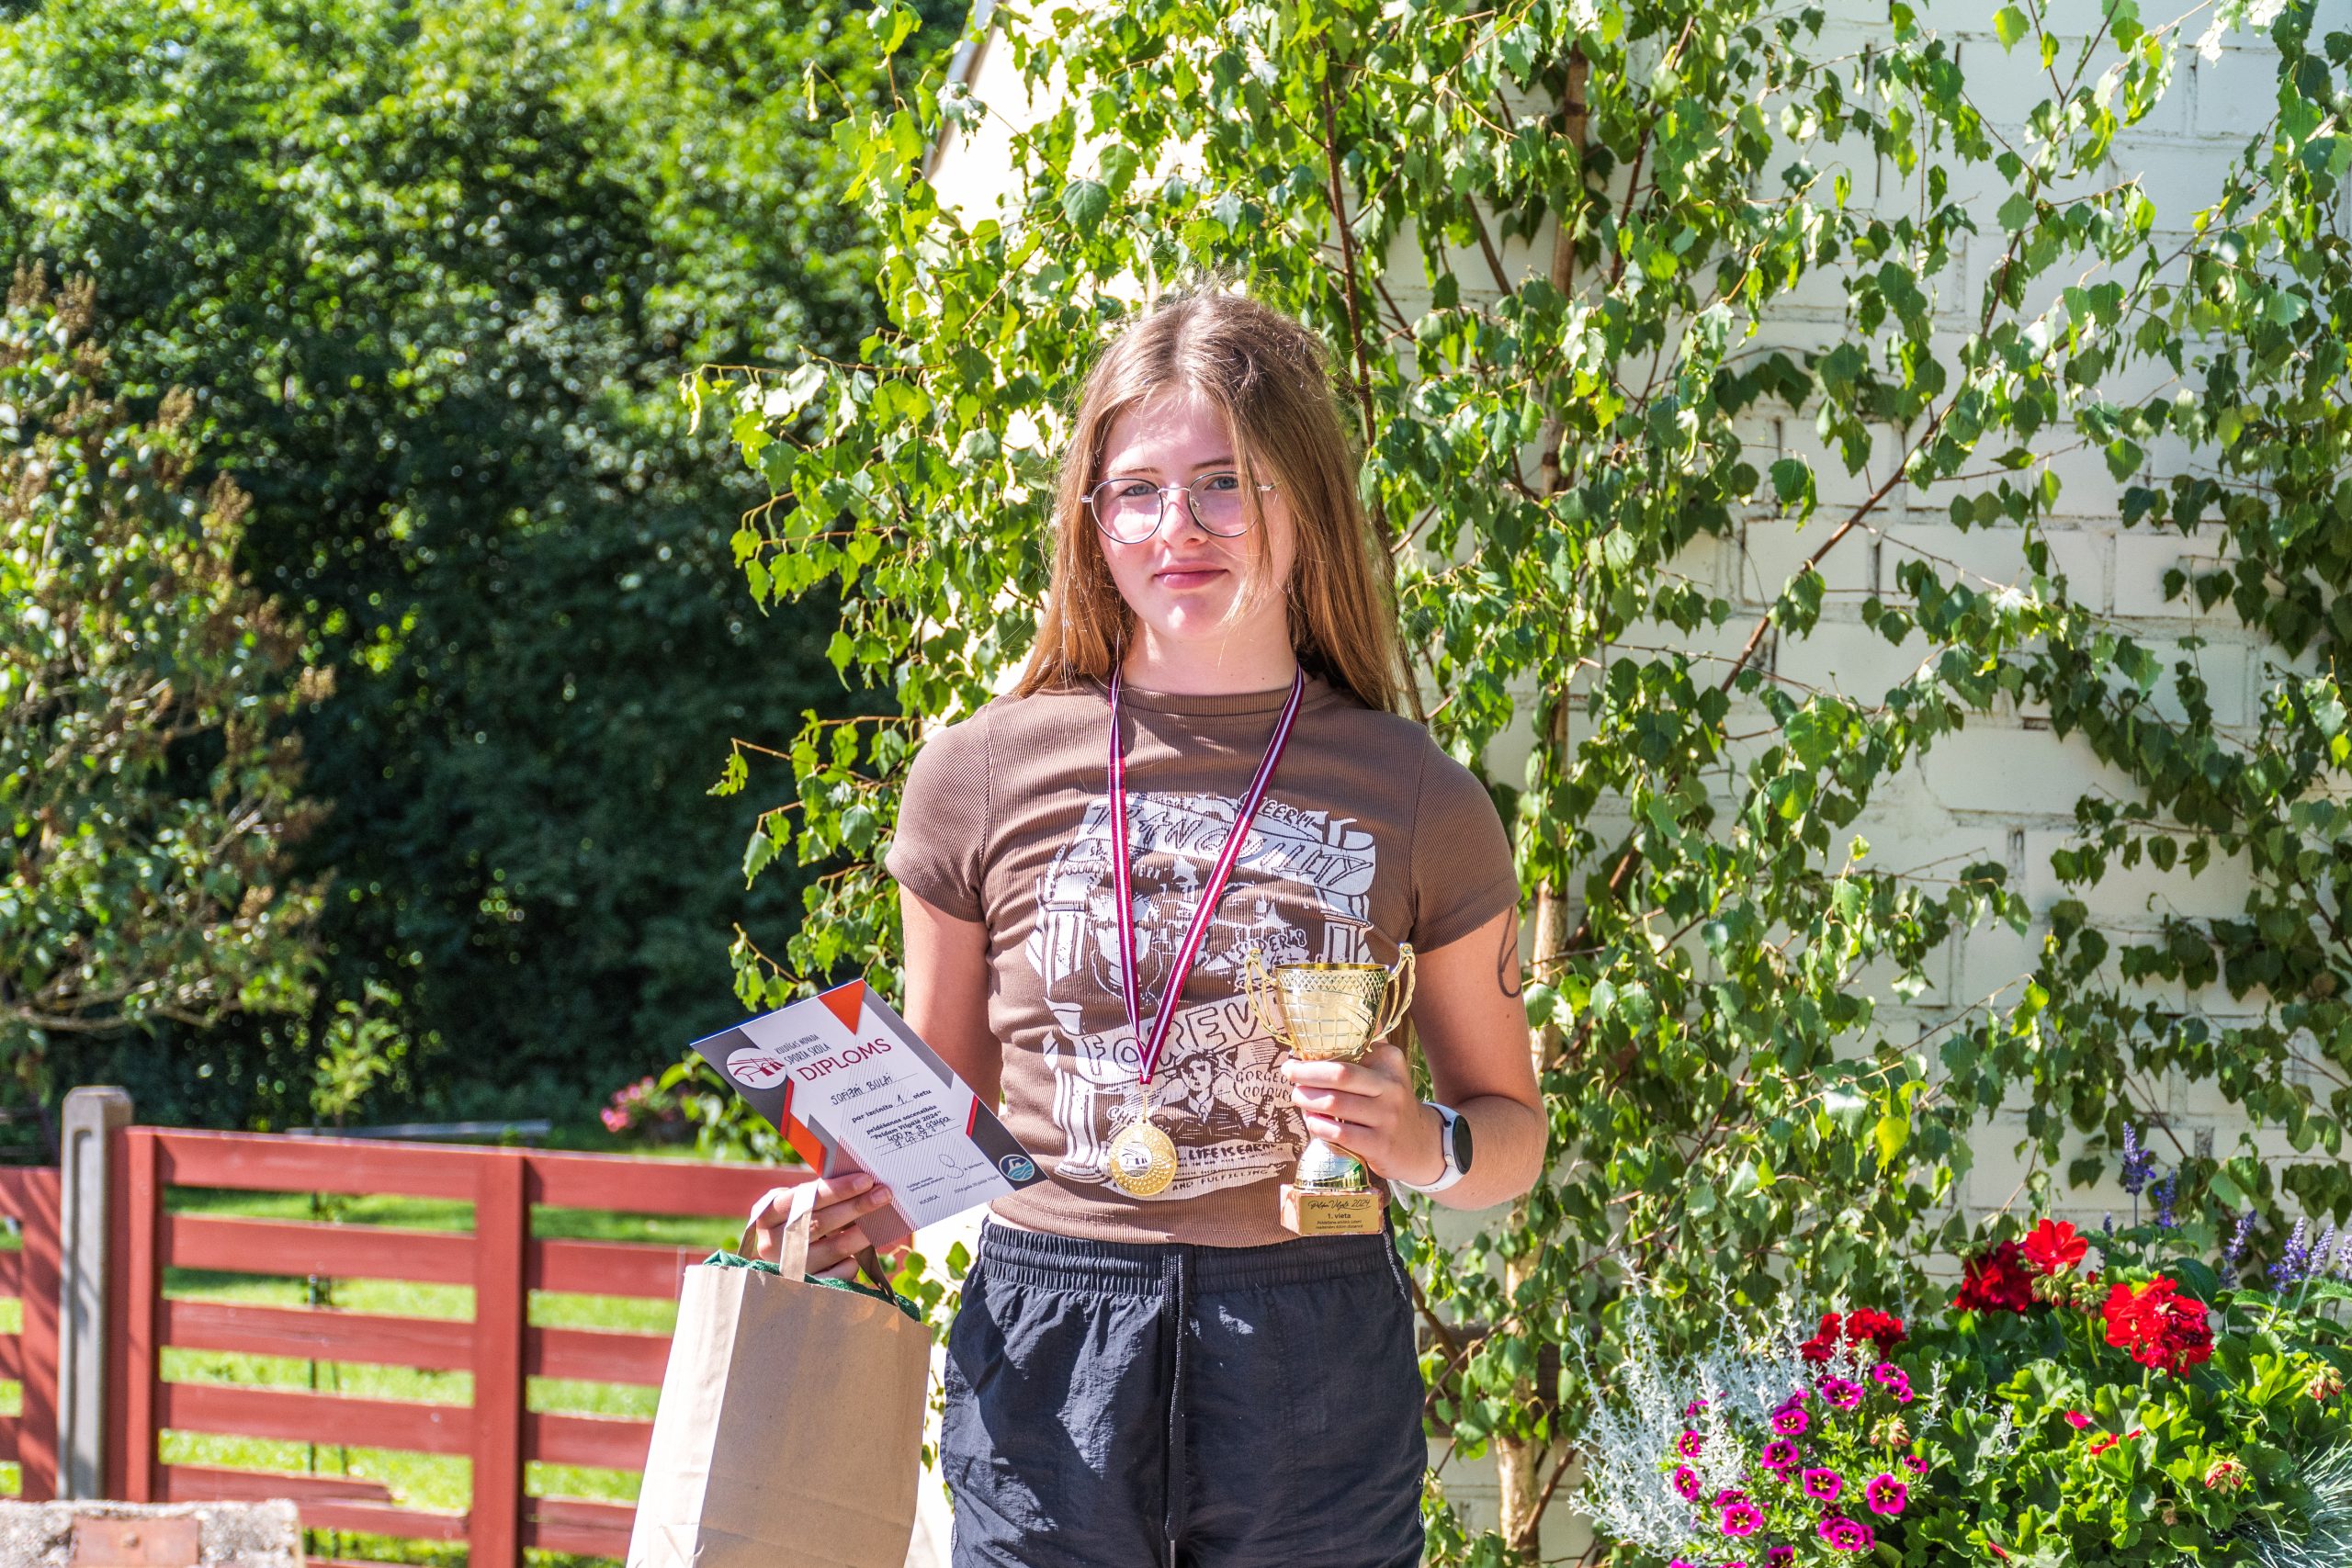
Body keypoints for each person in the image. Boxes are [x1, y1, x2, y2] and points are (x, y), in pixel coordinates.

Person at [748, 285, 1544, 1568]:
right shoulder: (975, 775)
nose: (1179, 527)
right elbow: (947, 1106)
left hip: (1309, 1354)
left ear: (1305, 500)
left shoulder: (1419, 796)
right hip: (1047, 1344)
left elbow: (1511, 1138)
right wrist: (857, 1205)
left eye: (1226, 484)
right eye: (1137, 491)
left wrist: (1424, 1143)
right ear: (1092, 518)